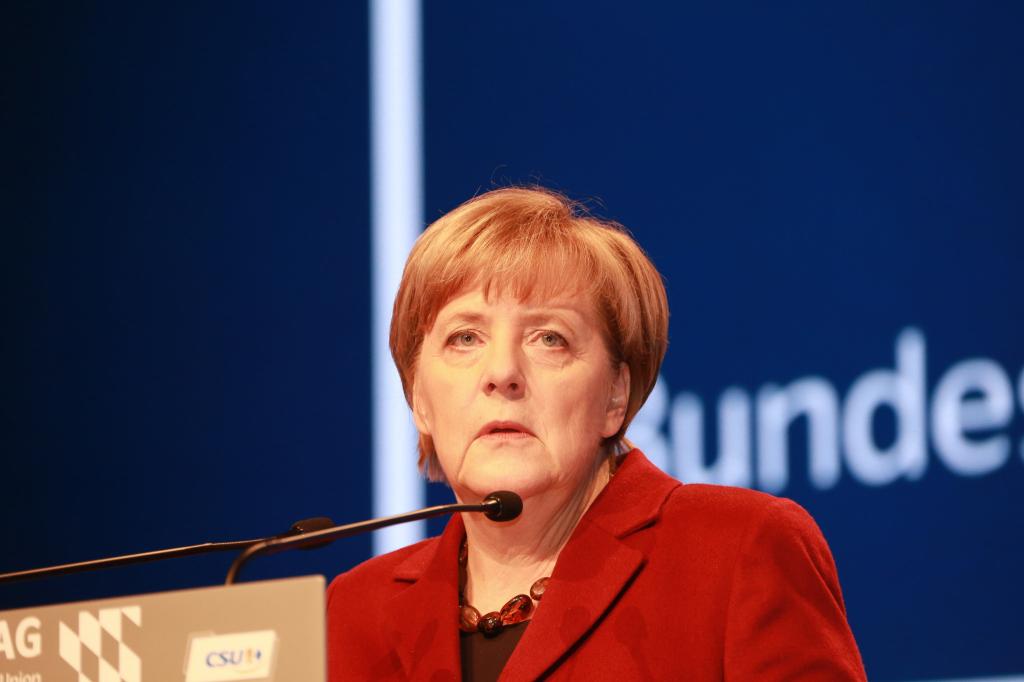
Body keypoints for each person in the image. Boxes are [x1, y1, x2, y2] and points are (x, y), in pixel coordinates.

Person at [327, 187, 867, 681]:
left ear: (614, 396)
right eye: (465, 337)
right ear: (419, 398)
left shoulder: (738, 551)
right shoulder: (354, 613)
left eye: (549, 338)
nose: (502, 372)